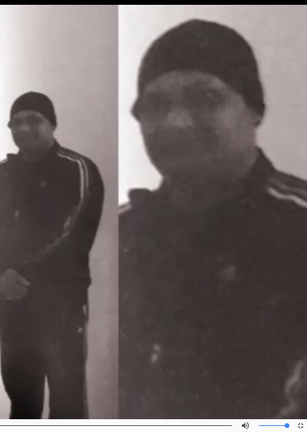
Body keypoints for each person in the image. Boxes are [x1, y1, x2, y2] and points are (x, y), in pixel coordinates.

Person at [120, 19, 307, 419]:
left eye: (206, 98)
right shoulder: (115, 235)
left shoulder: (298, 229)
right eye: (156, 105)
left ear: (254, 110)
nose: (176, 122)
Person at [0, 91, 104, 419]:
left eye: (34, 120)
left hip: (61, 303)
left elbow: (72, 232)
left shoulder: (77, 168)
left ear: (52, 124)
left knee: (67, 402)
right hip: (12, 302)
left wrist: (23, 276)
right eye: (16, 122)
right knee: (22, 400)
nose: (23, 128)